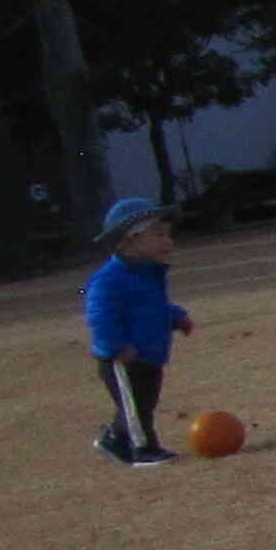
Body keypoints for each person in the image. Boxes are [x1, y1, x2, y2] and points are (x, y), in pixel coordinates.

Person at [82, 196, 193, 467]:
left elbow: (153, 308)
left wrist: (176, 317)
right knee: (136, 406)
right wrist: (115, 345)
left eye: (168, 235)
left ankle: (115, 439)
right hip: (124, 357)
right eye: (158, 235)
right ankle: (141, 449)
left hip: (149, 355)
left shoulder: (147, 274)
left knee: (142, 402)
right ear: (128, 241)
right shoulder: (110, 279)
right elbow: (100, 316)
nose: (168, 241)